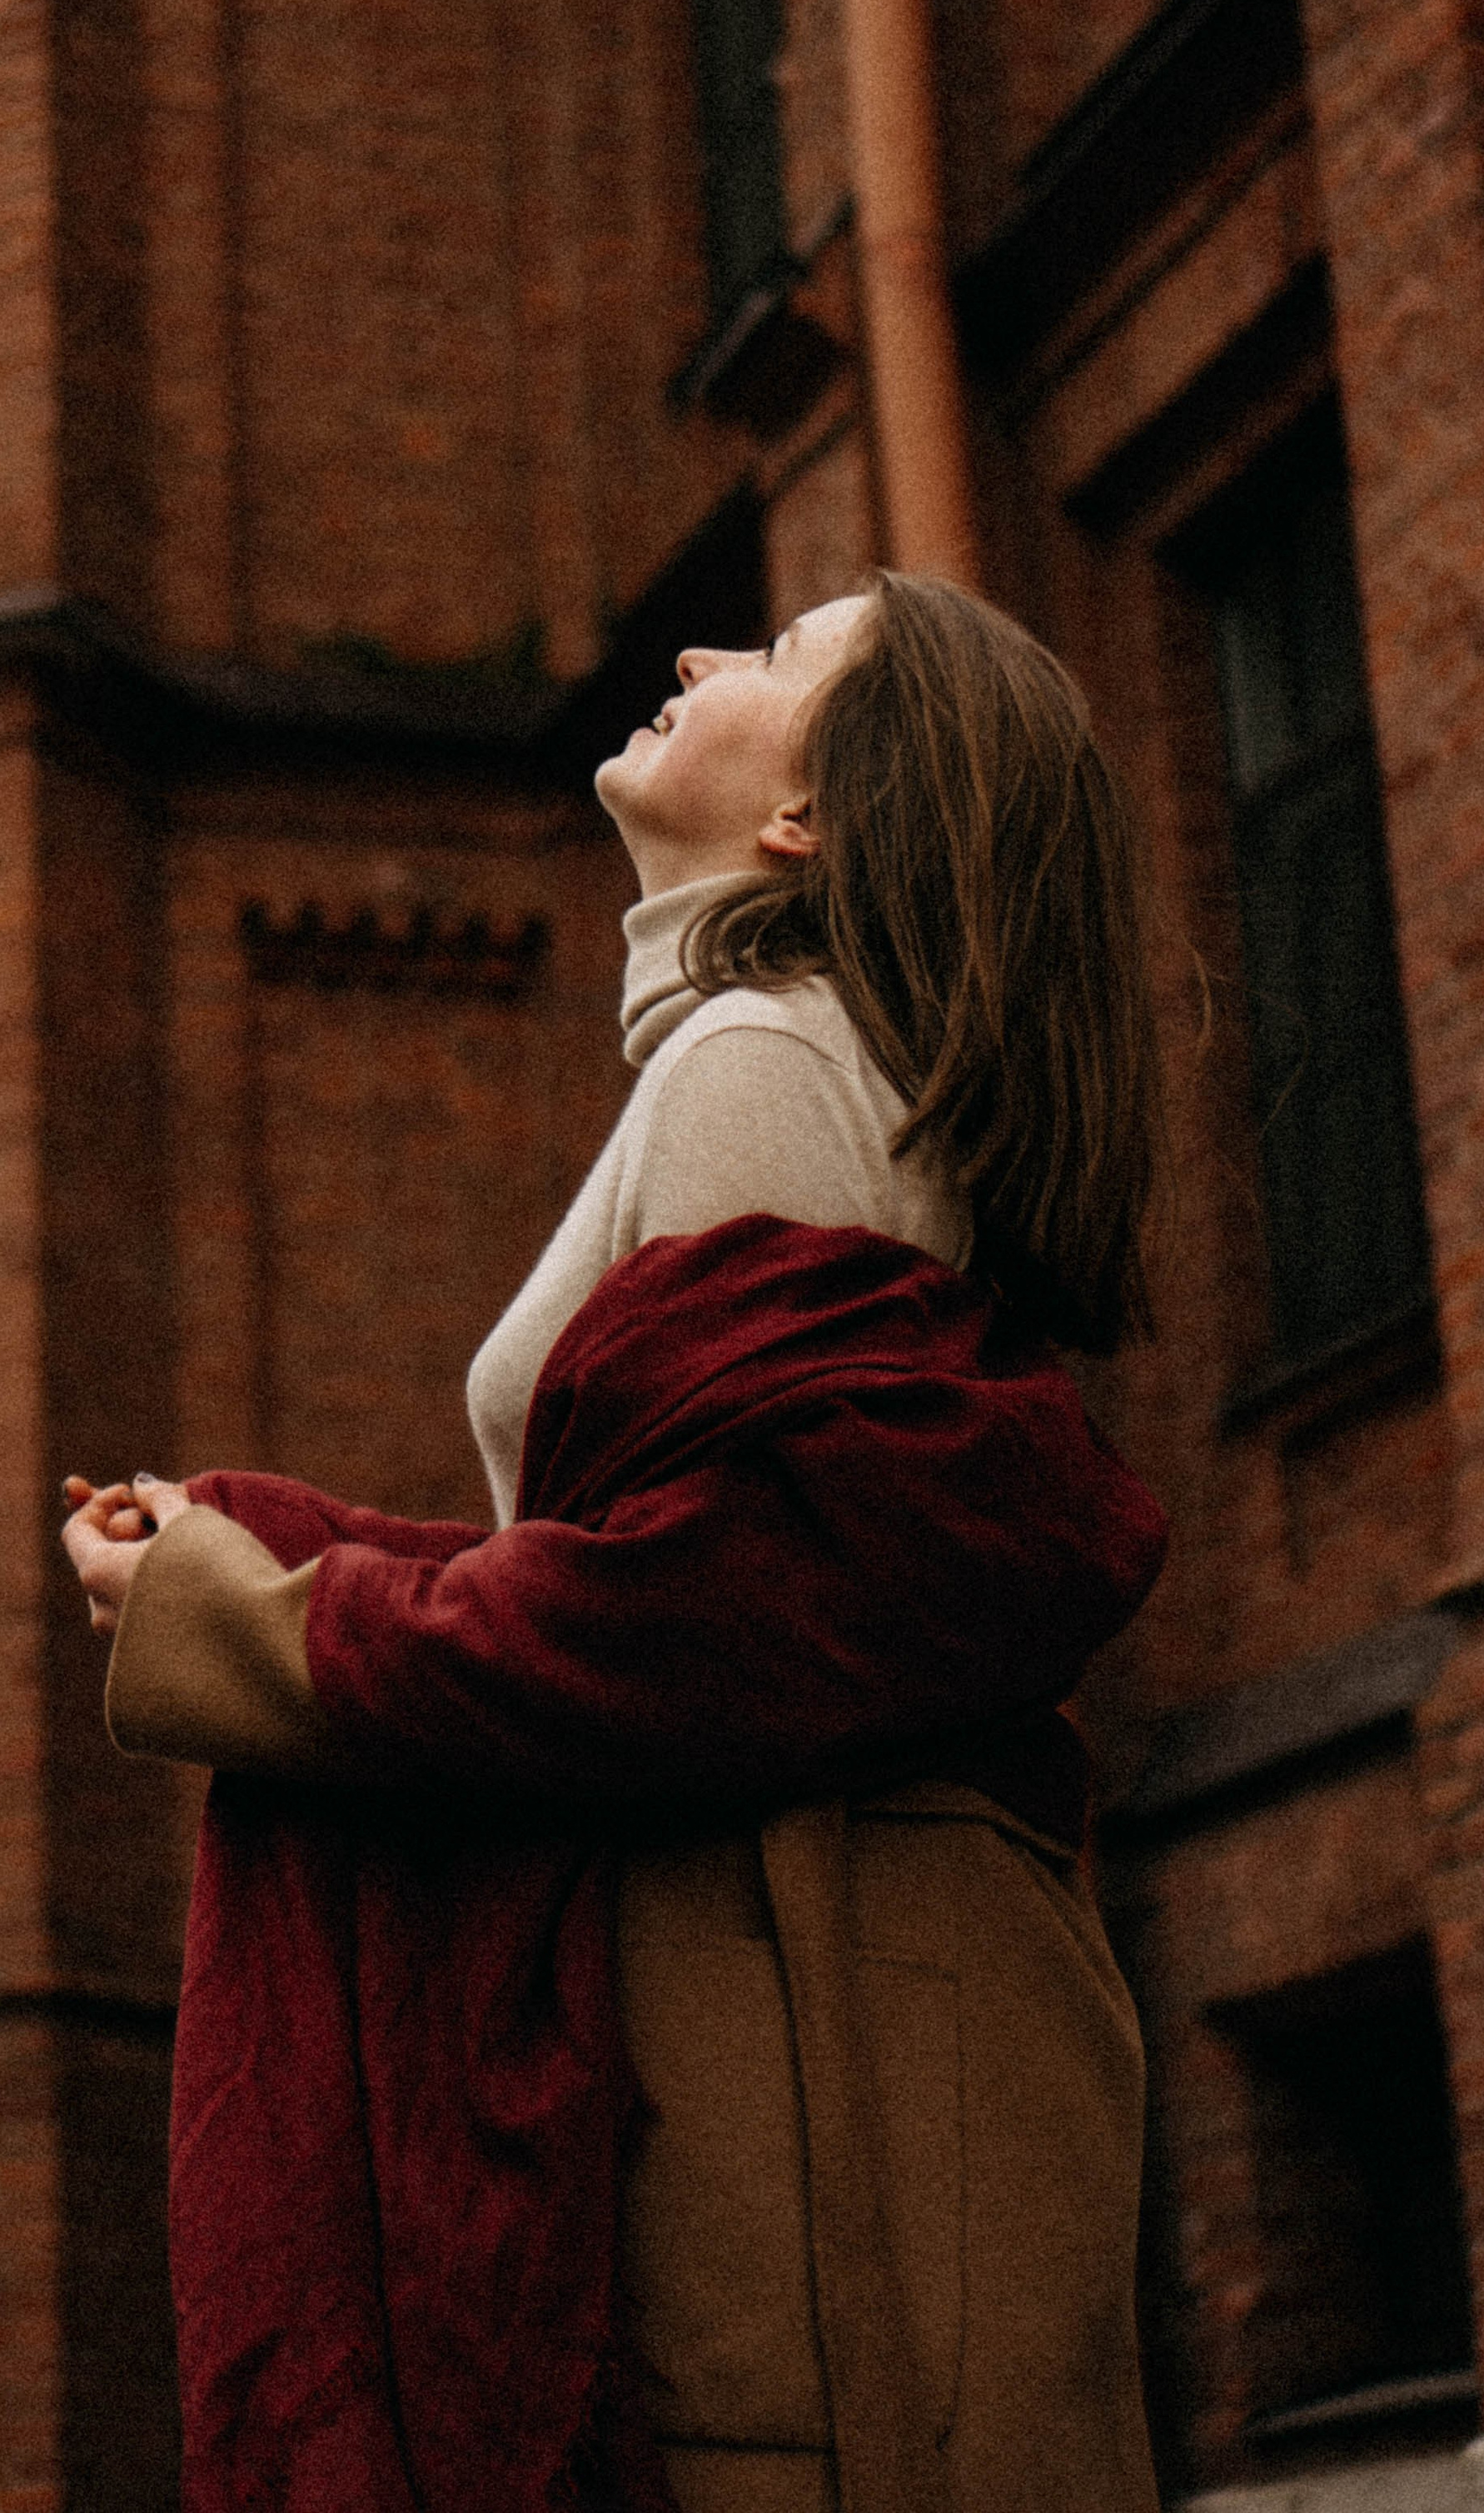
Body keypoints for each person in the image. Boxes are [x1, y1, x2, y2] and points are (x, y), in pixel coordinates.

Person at [63, 573, 1169, 2513]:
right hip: (831, 1988)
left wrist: (243, 1619)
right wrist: (257, 1549)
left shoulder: (765, 1057)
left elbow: (712, 1613)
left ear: (809, 818)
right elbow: (713, 1560)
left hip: (804, 2017)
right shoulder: (789, 1054)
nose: (693, 656)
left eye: (778, 655)